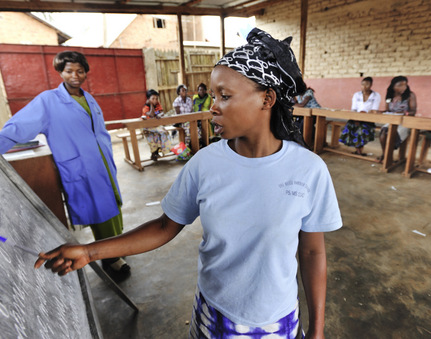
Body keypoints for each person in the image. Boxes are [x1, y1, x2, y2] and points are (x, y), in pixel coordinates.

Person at [35, 28, 342, 339]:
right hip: (213, 315)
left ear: (267, 99)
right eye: (213, 95)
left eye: (225, 95)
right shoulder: (206, 163)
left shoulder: (308, 170)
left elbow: (313, 253)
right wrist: (89, 252)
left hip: (277, 323)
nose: (214, 106)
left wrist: (317, 332)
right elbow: (165, 227)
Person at [0, 51, 130, 275]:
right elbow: (17, 128)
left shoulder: (89, 98)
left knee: (113, 208)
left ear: (85, 73)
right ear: (60, 72)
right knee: (101, 214)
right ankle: (110, 259)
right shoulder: (48, 101)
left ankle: (116, 248)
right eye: (69, 71)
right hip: (82, 168)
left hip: (103, 166)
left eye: (80, 71)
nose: (75, 75)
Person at [339, 77, 381, 156]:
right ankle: (358, 150)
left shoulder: (376, 95)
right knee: (350, 125)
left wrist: (365, 113)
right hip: (355, 118)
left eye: (367, 84)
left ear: (371, 85)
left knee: (361, 129)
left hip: (368, 119)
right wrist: (357, 118)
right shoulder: (356, 95)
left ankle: (359, 150)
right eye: (362, 84)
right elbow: (354, 109)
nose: (364, 86)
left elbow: (374, 110)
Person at [378, 76, 417, 162]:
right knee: (383, 132)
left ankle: (387, 156)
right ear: (393, 86)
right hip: (393, 121)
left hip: (405, 122)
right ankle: (386, 155)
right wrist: (381, 112)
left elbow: (413, 111)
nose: (403, 87)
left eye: (405, 85)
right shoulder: (389, 96)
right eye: (400, 85)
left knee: (393, 133)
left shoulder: (410, 95)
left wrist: (404, 113)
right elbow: (388, 110)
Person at [142, 89, 172, 161]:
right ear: (148, 99)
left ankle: (162, 150)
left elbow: (162, 112)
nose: (155, 100)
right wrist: (151, 104)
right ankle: (154, 153)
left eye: (156, 98)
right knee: (152, 136)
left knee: (164, 133)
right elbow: (151, 114)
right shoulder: (145, 107)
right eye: (153, 99)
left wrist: (159, 114)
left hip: (156, 126)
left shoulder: (157, 104)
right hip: (148, 127)